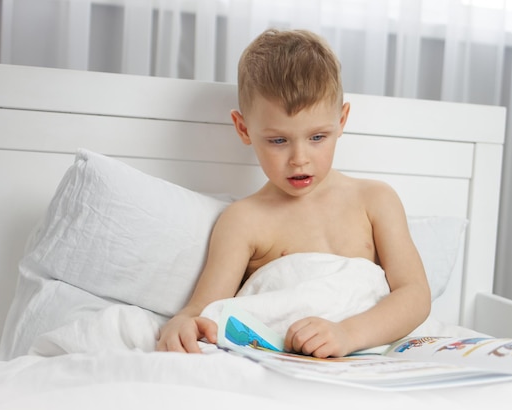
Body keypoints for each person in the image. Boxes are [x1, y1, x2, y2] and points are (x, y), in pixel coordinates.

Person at [156, 28, 430, 358]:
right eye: (278, 141)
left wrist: (346, 334)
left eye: (317, 137)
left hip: (366, 352)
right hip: (287, 363)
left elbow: (415, 295)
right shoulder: (245, 220)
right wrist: (181, 323)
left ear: (341, 120)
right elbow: (204, 309)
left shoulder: (375, 200)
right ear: (244, 129)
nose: (300, 159)